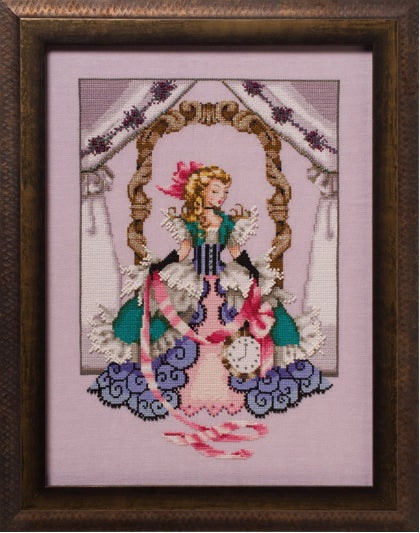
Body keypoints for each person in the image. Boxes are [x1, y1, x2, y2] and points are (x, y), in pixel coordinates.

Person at [88, 161, 331, 426]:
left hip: (224, 276)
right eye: (215, 191)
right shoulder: (191, 221)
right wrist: (163, 265)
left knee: (260, 304)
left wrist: (251, 270)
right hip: (193, 277)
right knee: (164, 308)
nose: (221, 197)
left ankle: (247, 372)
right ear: (200, 191)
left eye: (224, 192)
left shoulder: (225, 221)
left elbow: (235, 251)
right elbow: (183, 250)